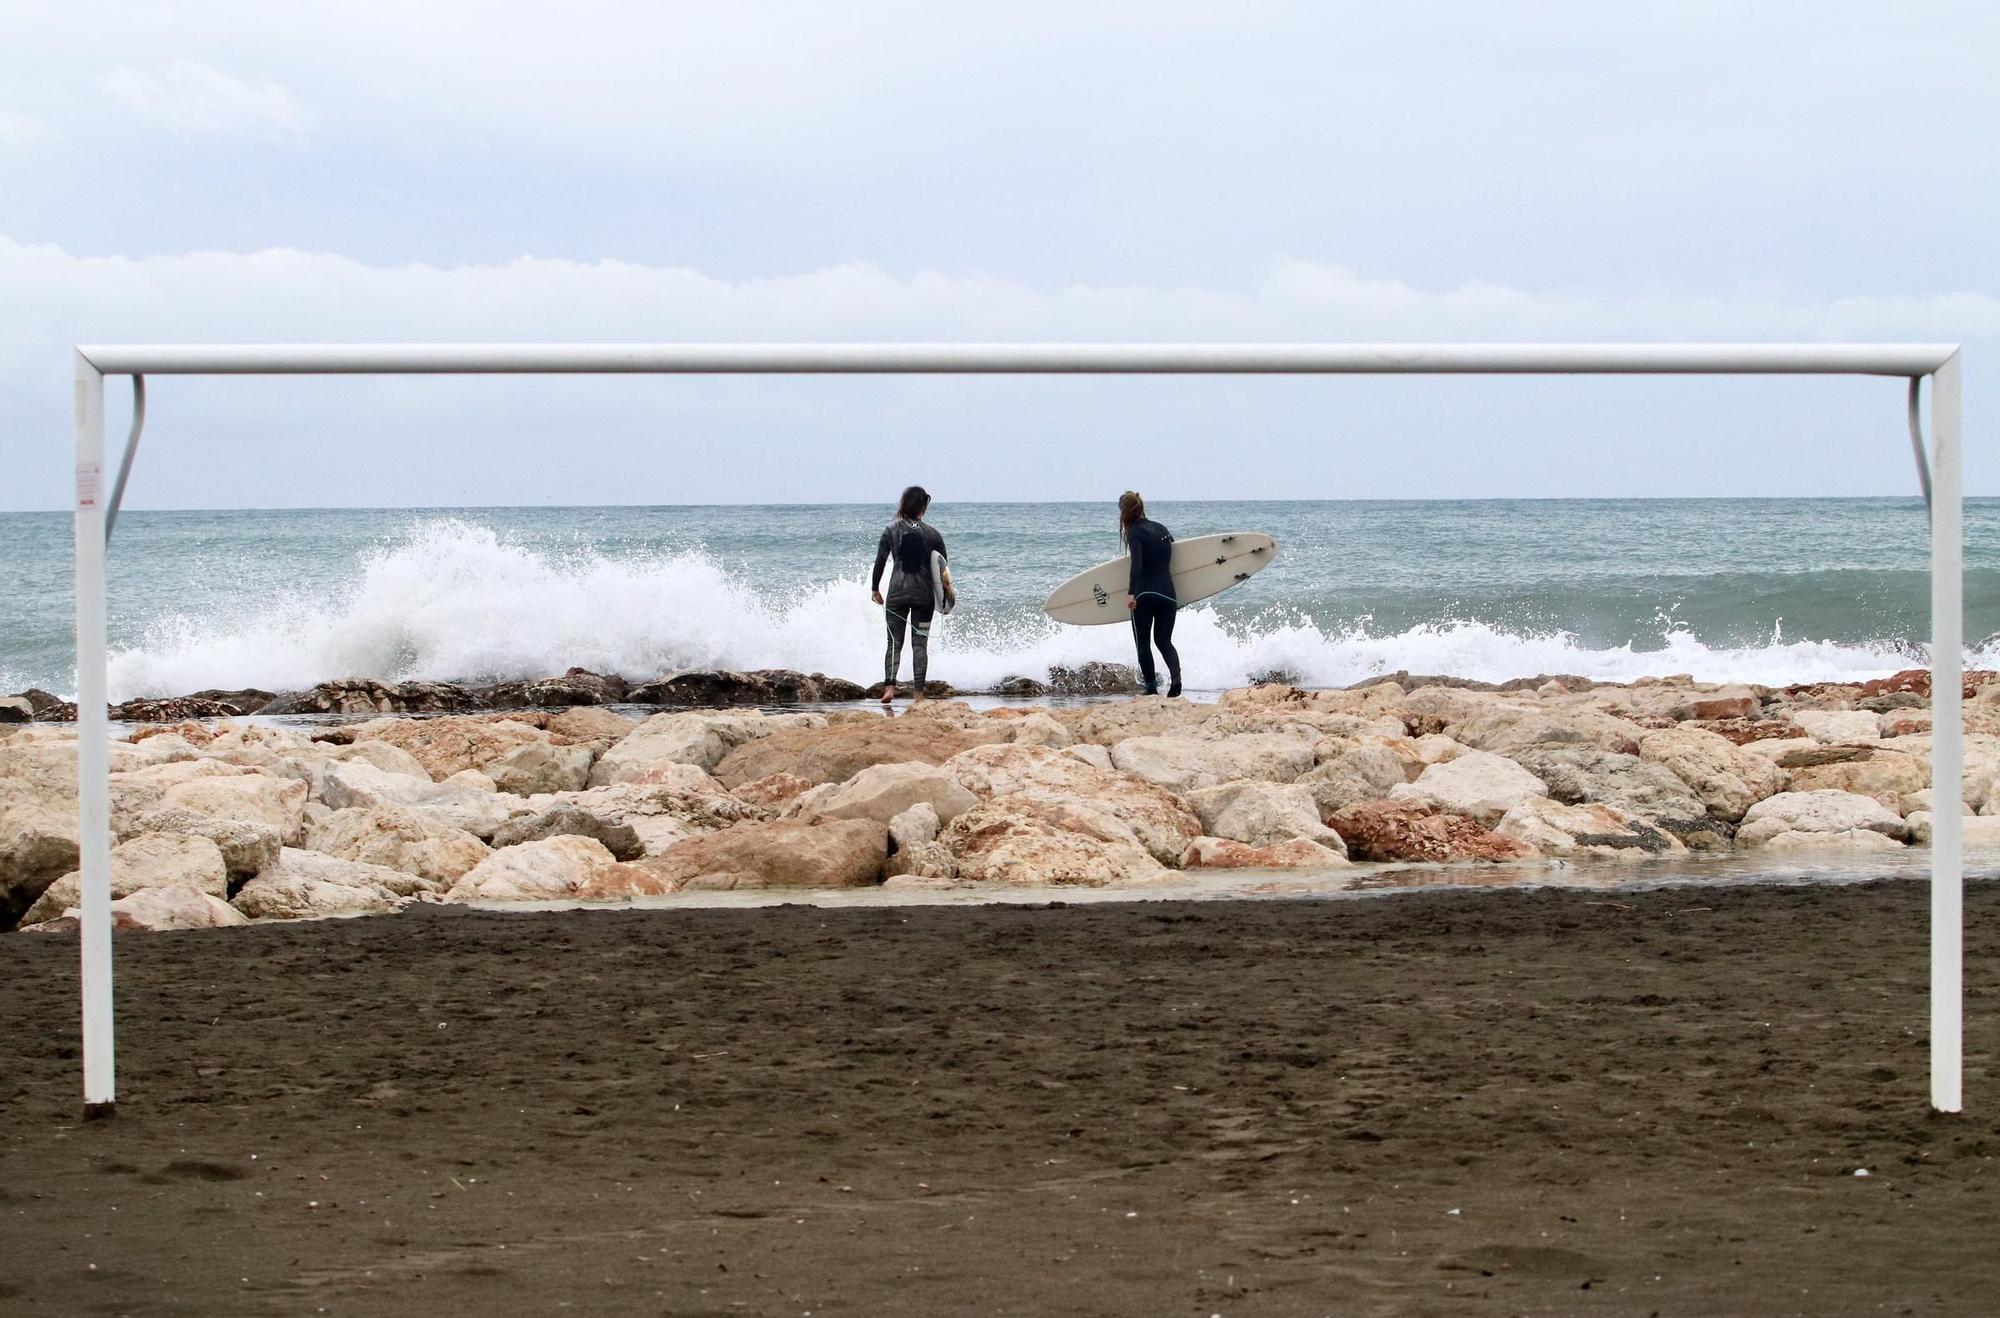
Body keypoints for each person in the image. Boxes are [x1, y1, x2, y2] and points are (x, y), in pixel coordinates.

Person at [871, 485, 953, 704]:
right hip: (923, 597)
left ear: (904, 504)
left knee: (894, 643)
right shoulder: (933, 534)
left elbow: (880, 561)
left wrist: (875, 588)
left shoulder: (890, 530)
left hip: (897, 594)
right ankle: (918, 694)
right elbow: (943, 570)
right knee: (919, 644)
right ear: (923, 507)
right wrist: (945, 599)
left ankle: (889, 689)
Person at [1120, 490, 1181, 697]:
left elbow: (1137, 566)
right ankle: (1176, 680)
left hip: (1144, 595)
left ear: (1124, 512)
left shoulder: (1134, 532)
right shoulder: (1161, 528)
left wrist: (1131, 594)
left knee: (1143, 642)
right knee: (1164, 641)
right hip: (1168, 595)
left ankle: (1151, 687)